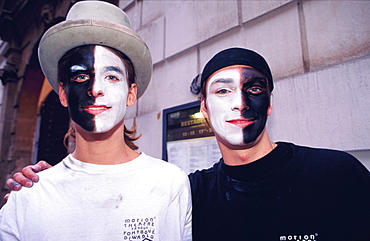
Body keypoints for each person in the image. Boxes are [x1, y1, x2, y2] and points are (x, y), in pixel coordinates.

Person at [5, 47, 370, 240]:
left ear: (270, 103)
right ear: (204, 109)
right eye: (223, 91)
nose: (240, 103)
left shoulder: (338, 175)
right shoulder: (190, 191)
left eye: (253, 89)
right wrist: (42, 185)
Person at [0, 1, 192, 241]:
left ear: (131, 93)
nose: (95, 89)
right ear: (62, 93)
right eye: (81, 76)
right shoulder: (28, 196)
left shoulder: (171, 184)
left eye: (111, 76)